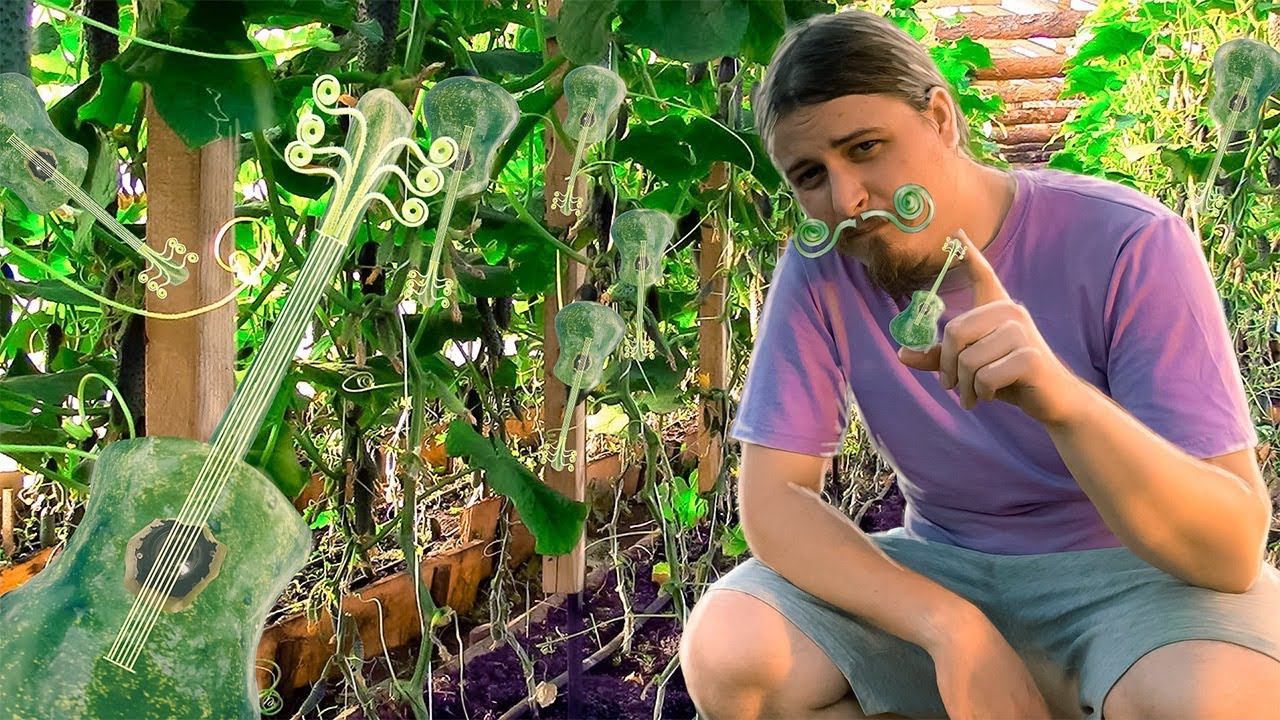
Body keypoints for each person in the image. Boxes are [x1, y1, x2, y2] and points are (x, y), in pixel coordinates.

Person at [678, 8, 1280, 720]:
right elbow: (775, 500)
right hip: (947, 564)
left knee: (1217, 701)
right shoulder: (823, 267)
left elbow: (1229, 552)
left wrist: (1062, 401)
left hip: (1137, 580)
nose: (847, 200)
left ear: (939, 117)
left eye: (866, 147)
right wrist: (949, 626)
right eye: (811, 175)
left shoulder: (1129, 239)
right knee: (734, 654)